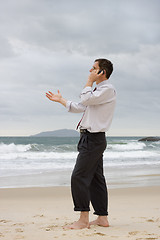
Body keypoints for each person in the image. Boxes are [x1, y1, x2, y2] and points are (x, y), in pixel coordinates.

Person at [46, 58, 116, 229]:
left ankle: (83, 219)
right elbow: (79, 106)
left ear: (102, 72)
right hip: (90, 139)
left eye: (93, 68)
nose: (90, 71)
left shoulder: (107, 89)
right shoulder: (97, 92)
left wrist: (88, 82)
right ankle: (102, 218)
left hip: (94, 139)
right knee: (95, 179)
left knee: (79, 177)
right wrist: (61, 100)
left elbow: (85, 100)